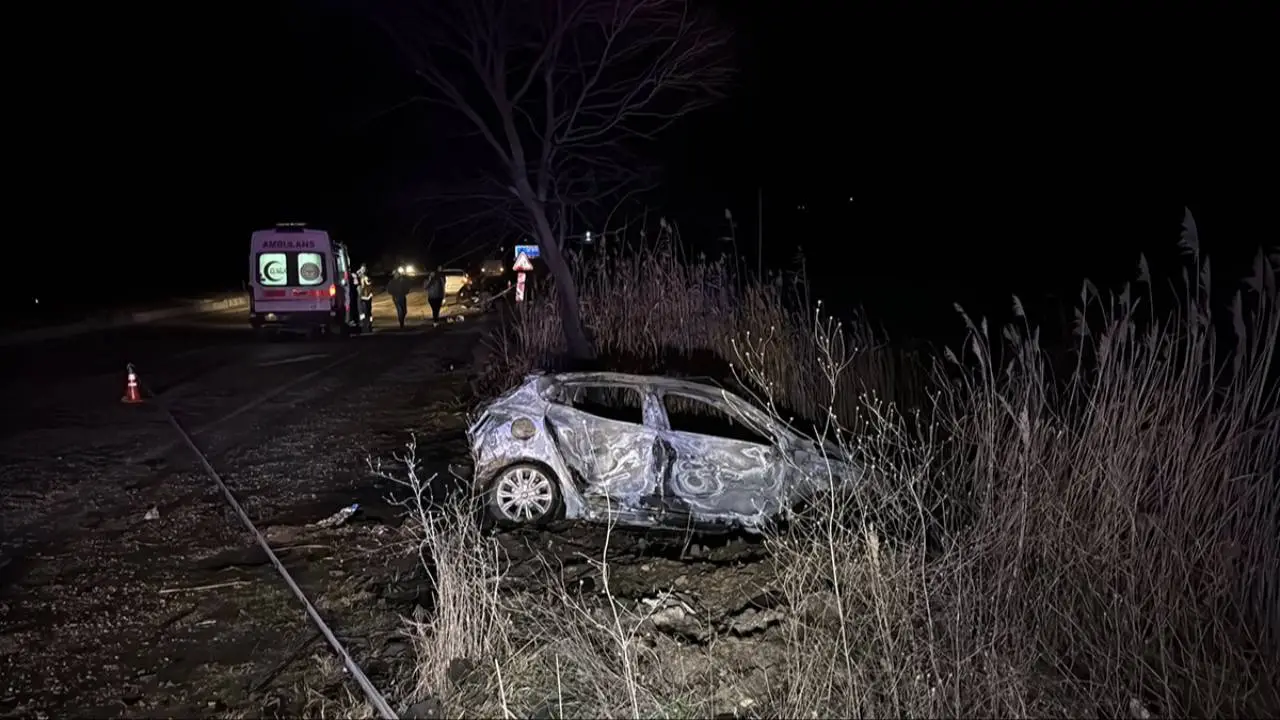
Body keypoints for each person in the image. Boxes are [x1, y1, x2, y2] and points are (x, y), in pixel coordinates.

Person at [356, 264, 374, 332]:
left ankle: (368, 324)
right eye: (362, 269)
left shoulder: (366, 277)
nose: (362, 271)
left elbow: (368, 284)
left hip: (366, 297)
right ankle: (363, 324)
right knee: (362, 312)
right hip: (362, 296)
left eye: (364, 269)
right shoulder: (360, 276)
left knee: (367, 311)